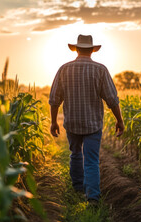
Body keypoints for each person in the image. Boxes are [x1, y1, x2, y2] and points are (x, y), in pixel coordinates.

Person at [49, 34, 124, 203]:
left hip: (72, 122)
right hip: (93, 124)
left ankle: (77, 188)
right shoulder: (100, 69)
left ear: (76, 49)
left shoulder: (64, 69)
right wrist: (119, 120)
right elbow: (112, 99)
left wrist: (54, 121)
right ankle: (93, 198)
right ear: (92, 50)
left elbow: (54, 99)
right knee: (91, 160)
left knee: (75, 154)